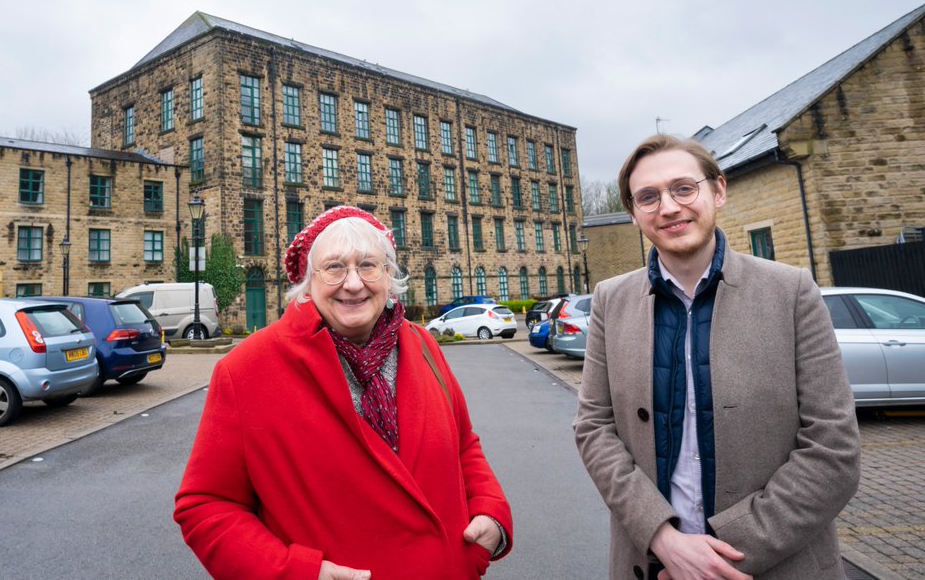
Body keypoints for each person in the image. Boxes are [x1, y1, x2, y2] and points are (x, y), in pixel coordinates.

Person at [573, 134, 861, 580]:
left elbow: (833, 449)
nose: (668, 207)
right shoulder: (611, 300)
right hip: (653, 565)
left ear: (718, 191)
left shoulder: (791, 292)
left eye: (683, 188)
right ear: (633, 214)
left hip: (774, 565)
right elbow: (594, 428)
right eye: (647, 197)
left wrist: (718, 558)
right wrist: (664, 540)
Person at [175, 205, 512, 580]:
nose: (353, 283)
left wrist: (491, 512)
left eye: (368, 265)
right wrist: (296, 573)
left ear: (388, 276)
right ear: (308, 282)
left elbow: (463, 443)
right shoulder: (247, 370)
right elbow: (206, 505)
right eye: (335, 267)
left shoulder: (422, 344)